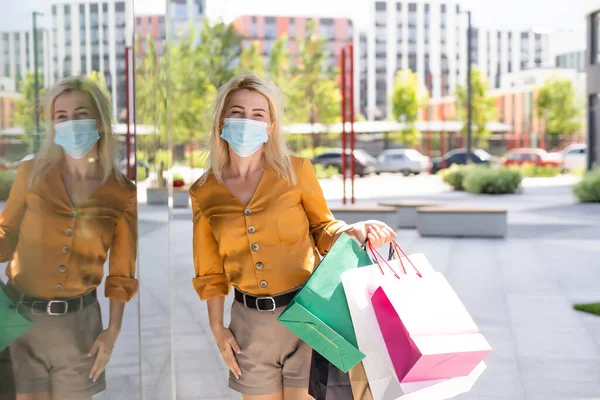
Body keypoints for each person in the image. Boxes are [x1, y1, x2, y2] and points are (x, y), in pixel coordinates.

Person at [189, 72, 397, 400]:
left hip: (308, 316)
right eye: (238, 112)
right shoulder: (203, 191)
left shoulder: (296, 170)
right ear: (222, 122)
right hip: (249, 328)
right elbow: (210, 272)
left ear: (270, 126)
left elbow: (322, 228)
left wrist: (352, 231)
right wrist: (218, 329)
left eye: (258, 114)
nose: (247, 121)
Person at [0, 76, 138, 400]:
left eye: (81, 114)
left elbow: (122, 271)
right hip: (17, 319)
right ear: (51, 124)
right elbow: (6, 232)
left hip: (80, 328)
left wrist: (113, 331)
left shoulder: (122, 191)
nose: (71, 123)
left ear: (100, 122)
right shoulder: (30, 173)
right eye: (61, 116)